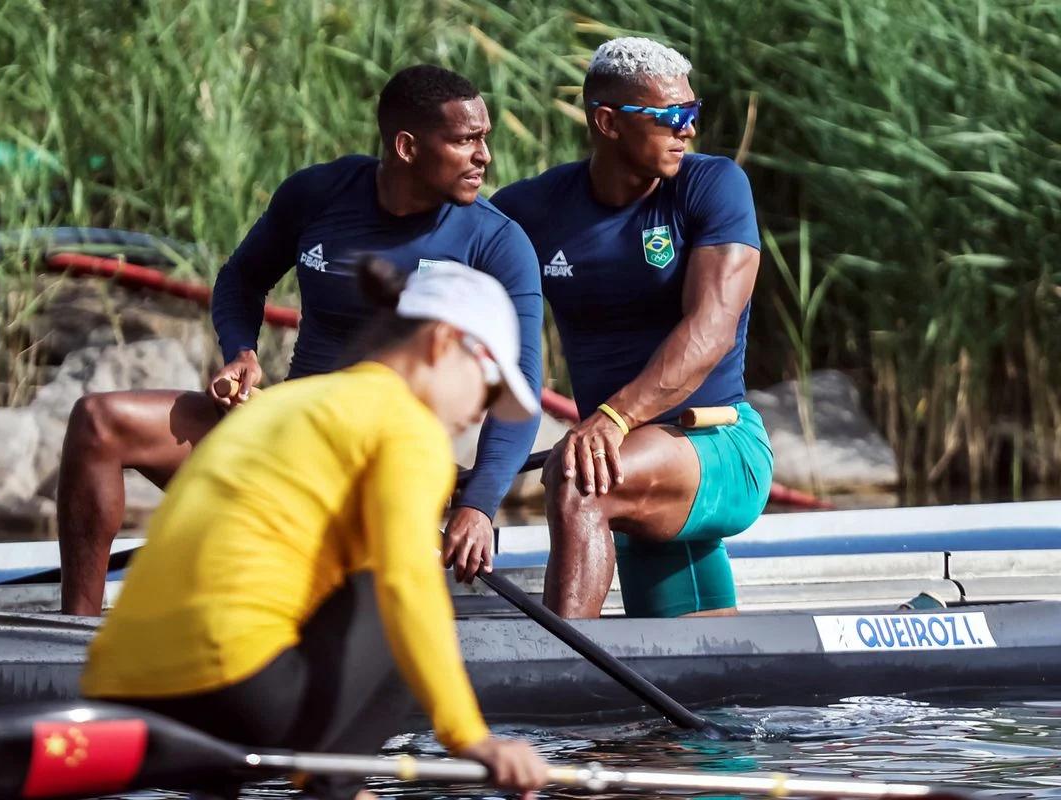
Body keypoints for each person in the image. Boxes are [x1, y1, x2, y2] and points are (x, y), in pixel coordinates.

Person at [58, 65, 543, 615]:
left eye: (485, 139)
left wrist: (477, 506)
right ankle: (74, 637)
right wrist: (240, 351)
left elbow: (522, 392)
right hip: (285, 439)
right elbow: (241, 279)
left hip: (384, 474)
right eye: (465, 140)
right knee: (99, 420)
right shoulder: (318, 194)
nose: (484, 156)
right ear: (407, 146)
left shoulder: (498, 243)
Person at [81, 259, 549, 800]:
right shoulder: (407, 425)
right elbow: (406, 585)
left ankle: (323, 779)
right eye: (489, 392)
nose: (477, 415)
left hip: (120, 685)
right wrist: (472, 739)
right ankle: (335, 789)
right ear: (444, 343)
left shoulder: (279, 404)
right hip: (232, 683)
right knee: (397, 591)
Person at [492, 37, 773, 619]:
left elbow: (710, 330)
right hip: (621, 452)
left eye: (692, 114)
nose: (688, 130)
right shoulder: (534, 208)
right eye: (672, 116)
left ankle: (559, 679)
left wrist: (613, 417)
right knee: (705, 668)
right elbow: (433, 297)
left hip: (718, 441)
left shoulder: (711, 185)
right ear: (607, 122)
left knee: (578, 485)